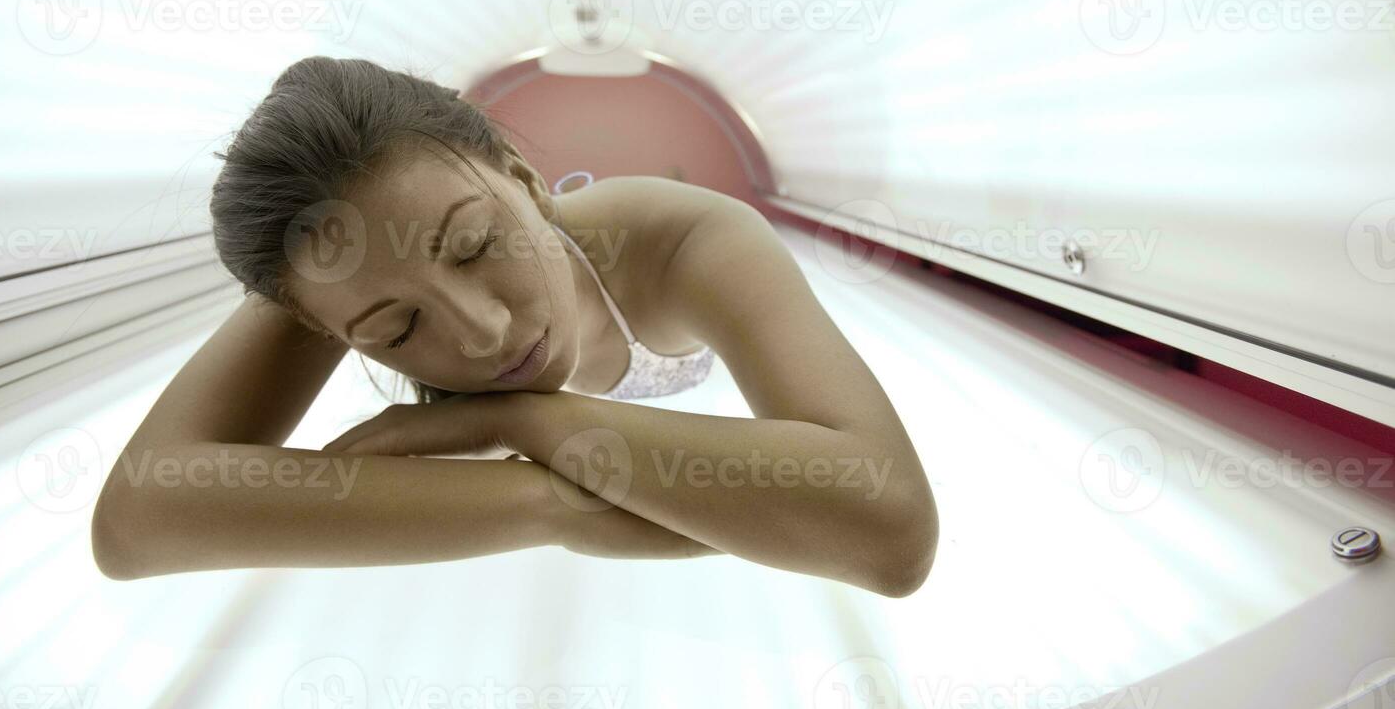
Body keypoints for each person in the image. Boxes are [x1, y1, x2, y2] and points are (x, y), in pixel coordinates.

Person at [90, 56, 938, 597]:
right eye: (395, 330)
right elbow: (137, 524)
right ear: (331, 329)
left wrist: (516, 417)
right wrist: (551, 505)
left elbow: (890, 531)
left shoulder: (686, 238)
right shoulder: (332, 257)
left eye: (475, 244)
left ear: (527, 181)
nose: (485, 332)